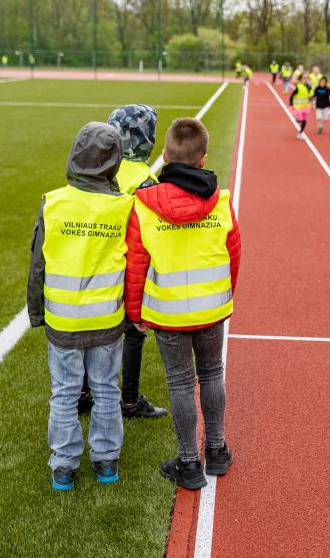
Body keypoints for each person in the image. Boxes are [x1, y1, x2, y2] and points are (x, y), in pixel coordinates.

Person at [124, 117, 241, 490]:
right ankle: (217, 450)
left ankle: (189, 463)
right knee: (211, 373)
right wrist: (225, 295)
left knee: (179, 383)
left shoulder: (142, 205)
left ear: (164, 156)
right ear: (203, 159)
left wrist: (134, 312)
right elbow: (233, 256)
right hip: (212, 309)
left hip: (167, 312)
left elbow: (135, 264)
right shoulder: (220, 201)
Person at [27, 122, 134, 491]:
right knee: (106, 388)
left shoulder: (53, 201)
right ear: (115, 160)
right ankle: (106, 461)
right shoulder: (123, 205)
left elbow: (37, 261)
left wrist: (36, 310)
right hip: (107, 317)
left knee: (65, 392)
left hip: (64, 319)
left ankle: (64, 465)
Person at [107, 104, 169, 420]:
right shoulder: (146, 179)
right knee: (133, 332)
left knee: (98, 334)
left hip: (99, 261)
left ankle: (85, 393)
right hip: (131, 267)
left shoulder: (103, 169)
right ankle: (129, 400)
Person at [288, 71, 314, 137]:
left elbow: (311, 96)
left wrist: (311, 98)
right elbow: (291, 96)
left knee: (304, 121)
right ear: (301, 79)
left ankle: (300, 132)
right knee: (299, 120)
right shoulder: (298, 86)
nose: (305, 80)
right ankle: (297, 118)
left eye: (307, 78)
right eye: (304, 78)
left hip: (306, 106)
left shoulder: (310, 87)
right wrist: (291, 105)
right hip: (298, 107)